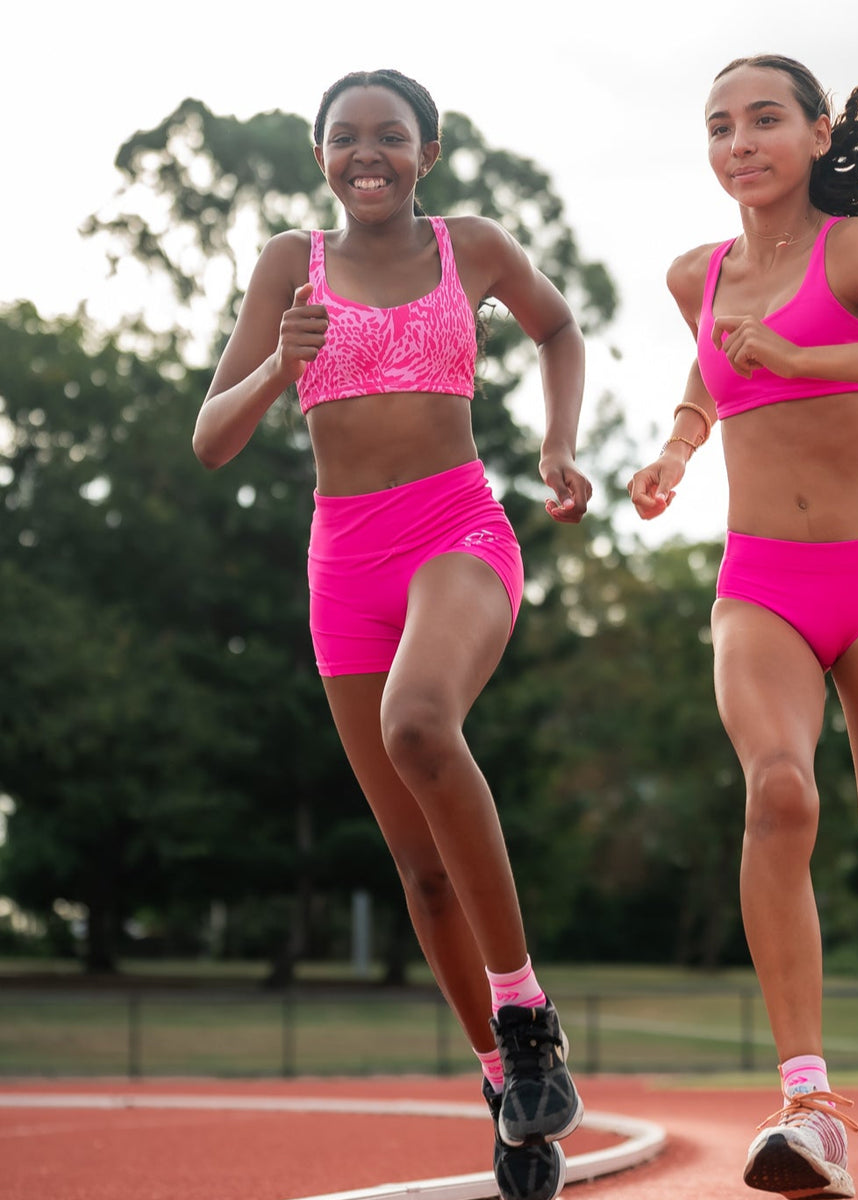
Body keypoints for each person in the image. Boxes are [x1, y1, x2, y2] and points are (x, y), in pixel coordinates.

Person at [194, 69, 588, 1200]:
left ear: (429, 148)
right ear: (320, 155)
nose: (370, 155)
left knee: (419, 722)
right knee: (419, 875)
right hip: (342, 565)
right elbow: (211, 441)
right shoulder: (290, 263)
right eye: (346, 140)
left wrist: (559, 448)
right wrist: (280, 360)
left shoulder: (473, 245)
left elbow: (558, 328)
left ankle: (526, 1018)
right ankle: (509, 1100)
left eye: (392, 137)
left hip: (457, 527)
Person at [627, 54, 858, 1198]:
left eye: (766, 120)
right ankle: (806, 1106)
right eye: (721, 126)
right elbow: (707, 379)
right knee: (779, 791)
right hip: (760, 588)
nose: (742, 143)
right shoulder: (698, 273)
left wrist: (803, 356)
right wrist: (678, 452)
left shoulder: (857, 252)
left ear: (819, 134)